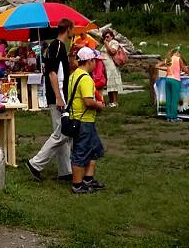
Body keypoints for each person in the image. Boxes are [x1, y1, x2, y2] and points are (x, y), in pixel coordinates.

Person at [25, 20, 75, 183]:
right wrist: (59, 97)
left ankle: (65, 171)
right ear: (68, 29)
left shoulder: (58, 47)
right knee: (62, 132)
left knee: (63, 134)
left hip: (59, 93)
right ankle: (36, 163)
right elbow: (53, 73)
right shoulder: (57, 46)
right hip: (58, 94)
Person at [68, 46, 107, 194]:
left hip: (78, 119)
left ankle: (88, 179)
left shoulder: (73, 75)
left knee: (94, 149)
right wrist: (100, 105)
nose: (96, 64)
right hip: (83, 120)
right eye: (95, 61)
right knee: (81, 151)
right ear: (89, 61)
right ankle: (77, 184)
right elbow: (88, 101)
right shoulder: (85, 78)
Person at [162, 50, 189, 122]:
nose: (180, 54)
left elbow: (157, 65)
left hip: (168, 79)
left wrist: (165, 69)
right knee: (174, 99)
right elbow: (183, 69)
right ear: (176, 53)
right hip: (175, 80)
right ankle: (173, 117)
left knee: (168, 98)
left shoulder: (168, 59)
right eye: (179, 53)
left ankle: (168, 117)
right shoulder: (178, 59)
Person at [101, 29, 124, 108]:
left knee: (113, 83)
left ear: (112, 36)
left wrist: (107, 44)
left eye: (107, 36)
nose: (106, 38)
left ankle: (115, 101)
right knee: (109, 84)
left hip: (112, 66)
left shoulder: (114, 43)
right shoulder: (105, 44)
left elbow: (112, 52)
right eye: (104, 37)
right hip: (106, 67)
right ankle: (110, 101)